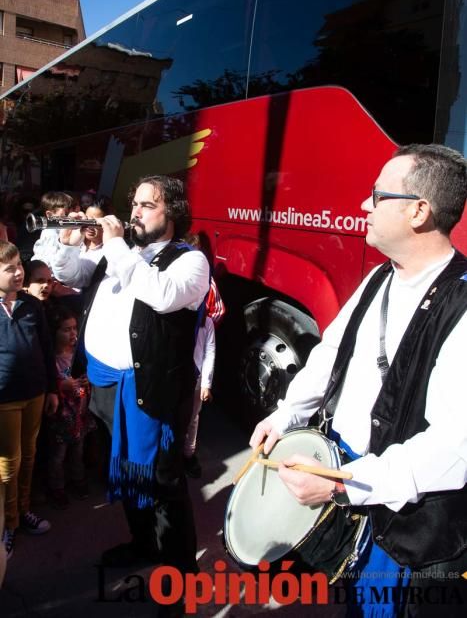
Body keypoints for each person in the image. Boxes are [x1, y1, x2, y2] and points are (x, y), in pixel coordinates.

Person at [250, 144, 467, 617]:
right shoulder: (377, 280)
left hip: (406, 515)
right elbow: (330, 354)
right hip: (354, 484)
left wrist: (342, 485)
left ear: (418, 211)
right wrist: (287, 414)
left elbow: (453, 446)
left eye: (376, 195)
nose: (363, 206)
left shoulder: (463, 306)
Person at [50, 175, 210, 581]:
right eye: (134, 204)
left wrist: (117, 243)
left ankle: (180, 573)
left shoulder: (190, 260)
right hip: (104, 385)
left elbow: (160, 294)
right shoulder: (118, 253)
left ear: (172, 212)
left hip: (149, 392)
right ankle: (143, 544)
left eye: (147, 205)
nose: (135, 212)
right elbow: (70, 276)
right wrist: (68, 241)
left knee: (162, 483)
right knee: (121, 469)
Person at [0, 241, 58, 561]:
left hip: (35, 393)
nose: (18, 274)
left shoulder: (31, 305)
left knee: (30, 456)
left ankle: (23, 512)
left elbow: (47, 349)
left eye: (19, 267)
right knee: (9, 464)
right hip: (4, 399)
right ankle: (8, 525)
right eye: (9, 269)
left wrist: (51, 388)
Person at [46, 305, 95, 509]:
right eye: (66, 329)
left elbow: (90, 377)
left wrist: (87, 381)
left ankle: (79, 480)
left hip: (79, 415)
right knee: (58, 455)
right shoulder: (51, 359)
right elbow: (47, 382)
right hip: (60, 417)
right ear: (54, 332)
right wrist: (60, 385)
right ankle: (57, 487)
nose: (73, 333)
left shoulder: (80, 354)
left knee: (78, 450)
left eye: (74, 328)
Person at [183, 314, 216, 478]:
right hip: (176, 378)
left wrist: (206, 384)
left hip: (196, 379)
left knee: (193, 418)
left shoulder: (206, 321)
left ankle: (188, 454)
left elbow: (209, 351)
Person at [32, 191, 73, 266]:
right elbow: (51, 261)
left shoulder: (59, 230)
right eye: (66, 214)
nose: (69, 217)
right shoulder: (51, 233)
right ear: (50, 215)